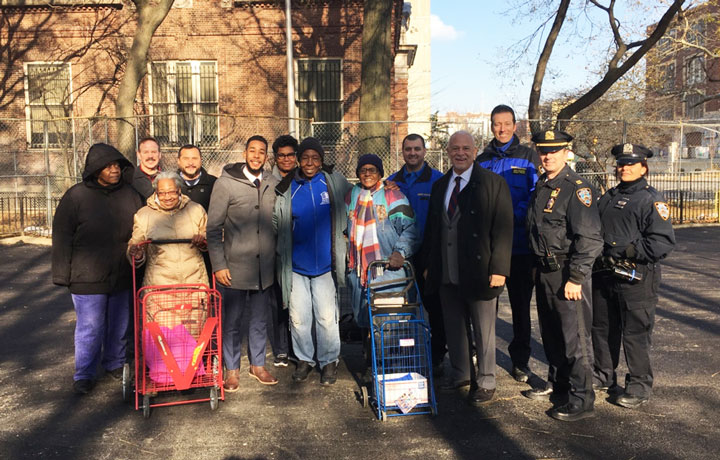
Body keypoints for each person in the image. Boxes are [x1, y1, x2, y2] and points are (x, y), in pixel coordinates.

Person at [422, 131, 514, 406]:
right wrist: (428, 265)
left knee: (484, 329)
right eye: (455, 149)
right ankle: (461, 374)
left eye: (465, 148)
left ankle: (486, 380)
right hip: (447, 269)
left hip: (480, 269)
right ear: (448, 152)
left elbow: (504, 229)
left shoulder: (493, 183)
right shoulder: (441, 185)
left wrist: (499, 268)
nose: (460, 153)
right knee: (454, 327)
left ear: (475, 152)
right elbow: (432, 229)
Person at [51, 143, 143, 395]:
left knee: (119, 324)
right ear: (95, 169)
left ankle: (114, 362)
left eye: (117, 166)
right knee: (90, 326)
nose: (114, 170)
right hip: (86, 275)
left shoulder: (130, 195)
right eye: (108, 166)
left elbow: (143, 227)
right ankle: (85, 373)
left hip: (122, 272)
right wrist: (62, 274)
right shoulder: (76, 196)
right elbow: (61, 235)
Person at [525, 130, 603, 421]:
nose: (548, 156)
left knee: (576, 339)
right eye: (543, 151)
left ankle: (582, 399)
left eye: (554, 151)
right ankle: (560, 387)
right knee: (552, 334)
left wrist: (577, 276)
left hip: (568, 273)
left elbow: (590, 238)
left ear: (566, 153)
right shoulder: (543, 184)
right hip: (545, 271)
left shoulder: (576, 188)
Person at [591, 143, 675, 409]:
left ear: (643, 167)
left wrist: (627, 250)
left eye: (630, 163)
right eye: (621, 163)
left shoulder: (652, 199)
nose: (624, 168)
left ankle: (638, 385)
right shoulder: (610, 196)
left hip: (636, 277)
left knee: (635, 333)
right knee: (603, 329)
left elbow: (661, 243)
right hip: (605, 274)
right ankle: (604, 375)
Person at [274, 137, 351, 385]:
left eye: (315, 158)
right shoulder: (288, 187)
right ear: (298, 159)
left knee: (327, 317)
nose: (309, 162)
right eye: (305, 157)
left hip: (326, 265)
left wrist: (385, 186)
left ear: (321, 161)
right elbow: (277, 220)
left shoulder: (333, 182)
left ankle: (329, 361)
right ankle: (305, 359)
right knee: (299, 317)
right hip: (296, 266)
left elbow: (359, 196)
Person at [207, 135, 280, 390]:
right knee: (232, 321)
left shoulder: (272, 182)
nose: (257, 156)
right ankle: (232, 369)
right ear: (244, 153)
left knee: (260, 320)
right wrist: (219, 265)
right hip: (234, 268)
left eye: (262, 152)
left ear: (266, 156)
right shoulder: (226, 184)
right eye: (252, 151)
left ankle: (257, 365)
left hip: (264, 269)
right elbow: (213, 229)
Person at [477, 105, 539, 383]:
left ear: (516, 126)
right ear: (491, 127)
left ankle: (520, 361)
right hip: (490, 250)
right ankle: (483, 357)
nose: (501, 129)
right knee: (485, 305)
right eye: (496, 124)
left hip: (520, 247)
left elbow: (536, 196)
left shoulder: (529, 157)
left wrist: (508, 217)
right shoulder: (482, 160)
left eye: (506, 124)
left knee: (520, 307)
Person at [386, 135, 445, 372]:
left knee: (434, 307)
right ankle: (403, 355)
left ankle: (437, 356)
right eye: (408, 149)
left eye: (417, 149)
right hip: (400, 255)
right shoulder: (390, 183)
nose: (412, 153)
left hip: (429, 255)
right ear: (402, 152)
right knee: (401, 307)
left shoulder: (439, 181)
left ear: (424, 151)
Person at [346, 153, 419, 330]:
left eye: (372, 170)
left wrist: (400, 252)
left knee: (390, 324)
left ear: (380, 174)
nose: (367, 173)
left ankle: (392, 356)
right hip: (359, 273)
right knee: (364, 321)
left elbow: (411, 229)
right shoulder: (351, 196)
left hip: (388, 271)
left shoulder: (393, 196)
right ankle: (370, 355)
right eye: (363, 170)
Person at [127, 172, 208, 286]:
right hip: (159, 287)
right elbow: (135, 244)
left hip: (195, 283)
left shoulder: (196, 210)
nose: (167, 197)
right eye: (162, 193)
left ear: (179, 190)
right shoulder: (144, 215)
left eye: (171, 192)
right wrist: (137, 254)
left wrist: (203, 240)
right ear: (156, 193)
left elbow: (209, 235)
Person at [268, 134, 299, 367]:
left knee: (299, 302)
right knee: (277, 300)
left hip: (300, 248)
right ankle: (281, 348)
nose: (286, 159)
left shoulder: (305, 177)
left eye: (290, 155)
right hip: (274, 248)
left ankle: (299, 348)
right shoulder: (269, 181)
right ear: (275, 158)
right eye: (281, 155)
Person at [177, 144, 217, 212]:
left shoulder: (214, 183)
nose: (190, 163)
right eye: (186, 158)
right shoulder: (170, 183)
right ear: (178, 161)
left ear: (201, 160)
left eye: (194, 158)